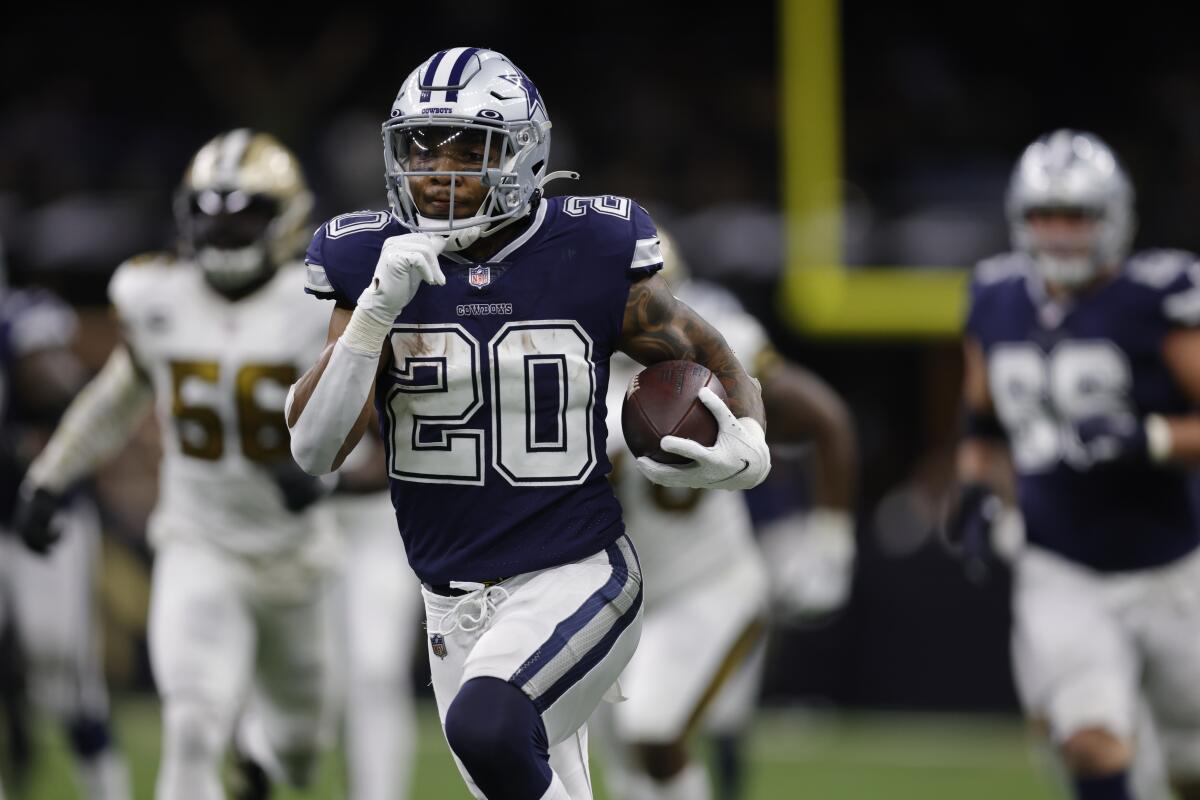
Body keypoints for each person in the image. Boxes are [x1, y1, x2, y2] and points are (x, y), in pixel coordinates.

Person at [286, 47, 771, 800]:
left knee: (487, 728)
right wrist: (374, 314)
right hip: (449, 601)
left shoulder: (591, 249)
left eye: (465, 147)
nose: (436, 169)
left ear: (523, 154)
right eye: (420, 145)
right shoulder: (364, 260)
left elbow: (706, 350)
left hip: (577, 572)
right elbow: (315, 448)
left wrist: (749, 436)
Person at [14, 130, 340, 800]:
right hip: (198, 541)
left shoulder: (316, 302)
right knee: (191, 724)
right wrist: (50, 475)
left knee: (302, 745)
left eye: (244, 214)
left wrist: (324, 472)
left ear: (286, 216)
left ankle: (261, 755)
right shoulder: (155, 293)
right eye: (210, 213)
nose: (223, 231)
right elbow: (113, 400)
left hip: (296, 558)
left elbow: (369, 413)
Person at [946, 128, 1200, 800]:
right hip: (1060, 563)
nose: (1059, 233)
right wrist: (974, 487)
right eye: (1043, 216)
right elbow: (982, 422)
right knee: (1090, 741)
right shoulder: (996, 295)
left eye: (1076, 216)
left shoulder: (1159, 294)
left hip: (1173, 564)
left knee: (1190, 764)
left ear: (1113, 217)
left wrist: (1147, 439)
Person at [593, 231, 857, 800]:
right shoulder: (559, 361)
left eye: (651, 294)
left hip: (706, 585)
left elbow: (825, 419)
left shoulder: (717, 349)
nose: (637, 310)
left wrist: (832, 543)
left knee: (654, 735)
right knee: (618, 766)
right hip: (609, 599)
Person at [0, 238, 131, 800]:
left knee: (62, 669)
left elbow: (55, 378)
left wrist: (48, 389)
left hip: (34, 516)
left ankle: (106, 786)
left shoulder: (26, 315)